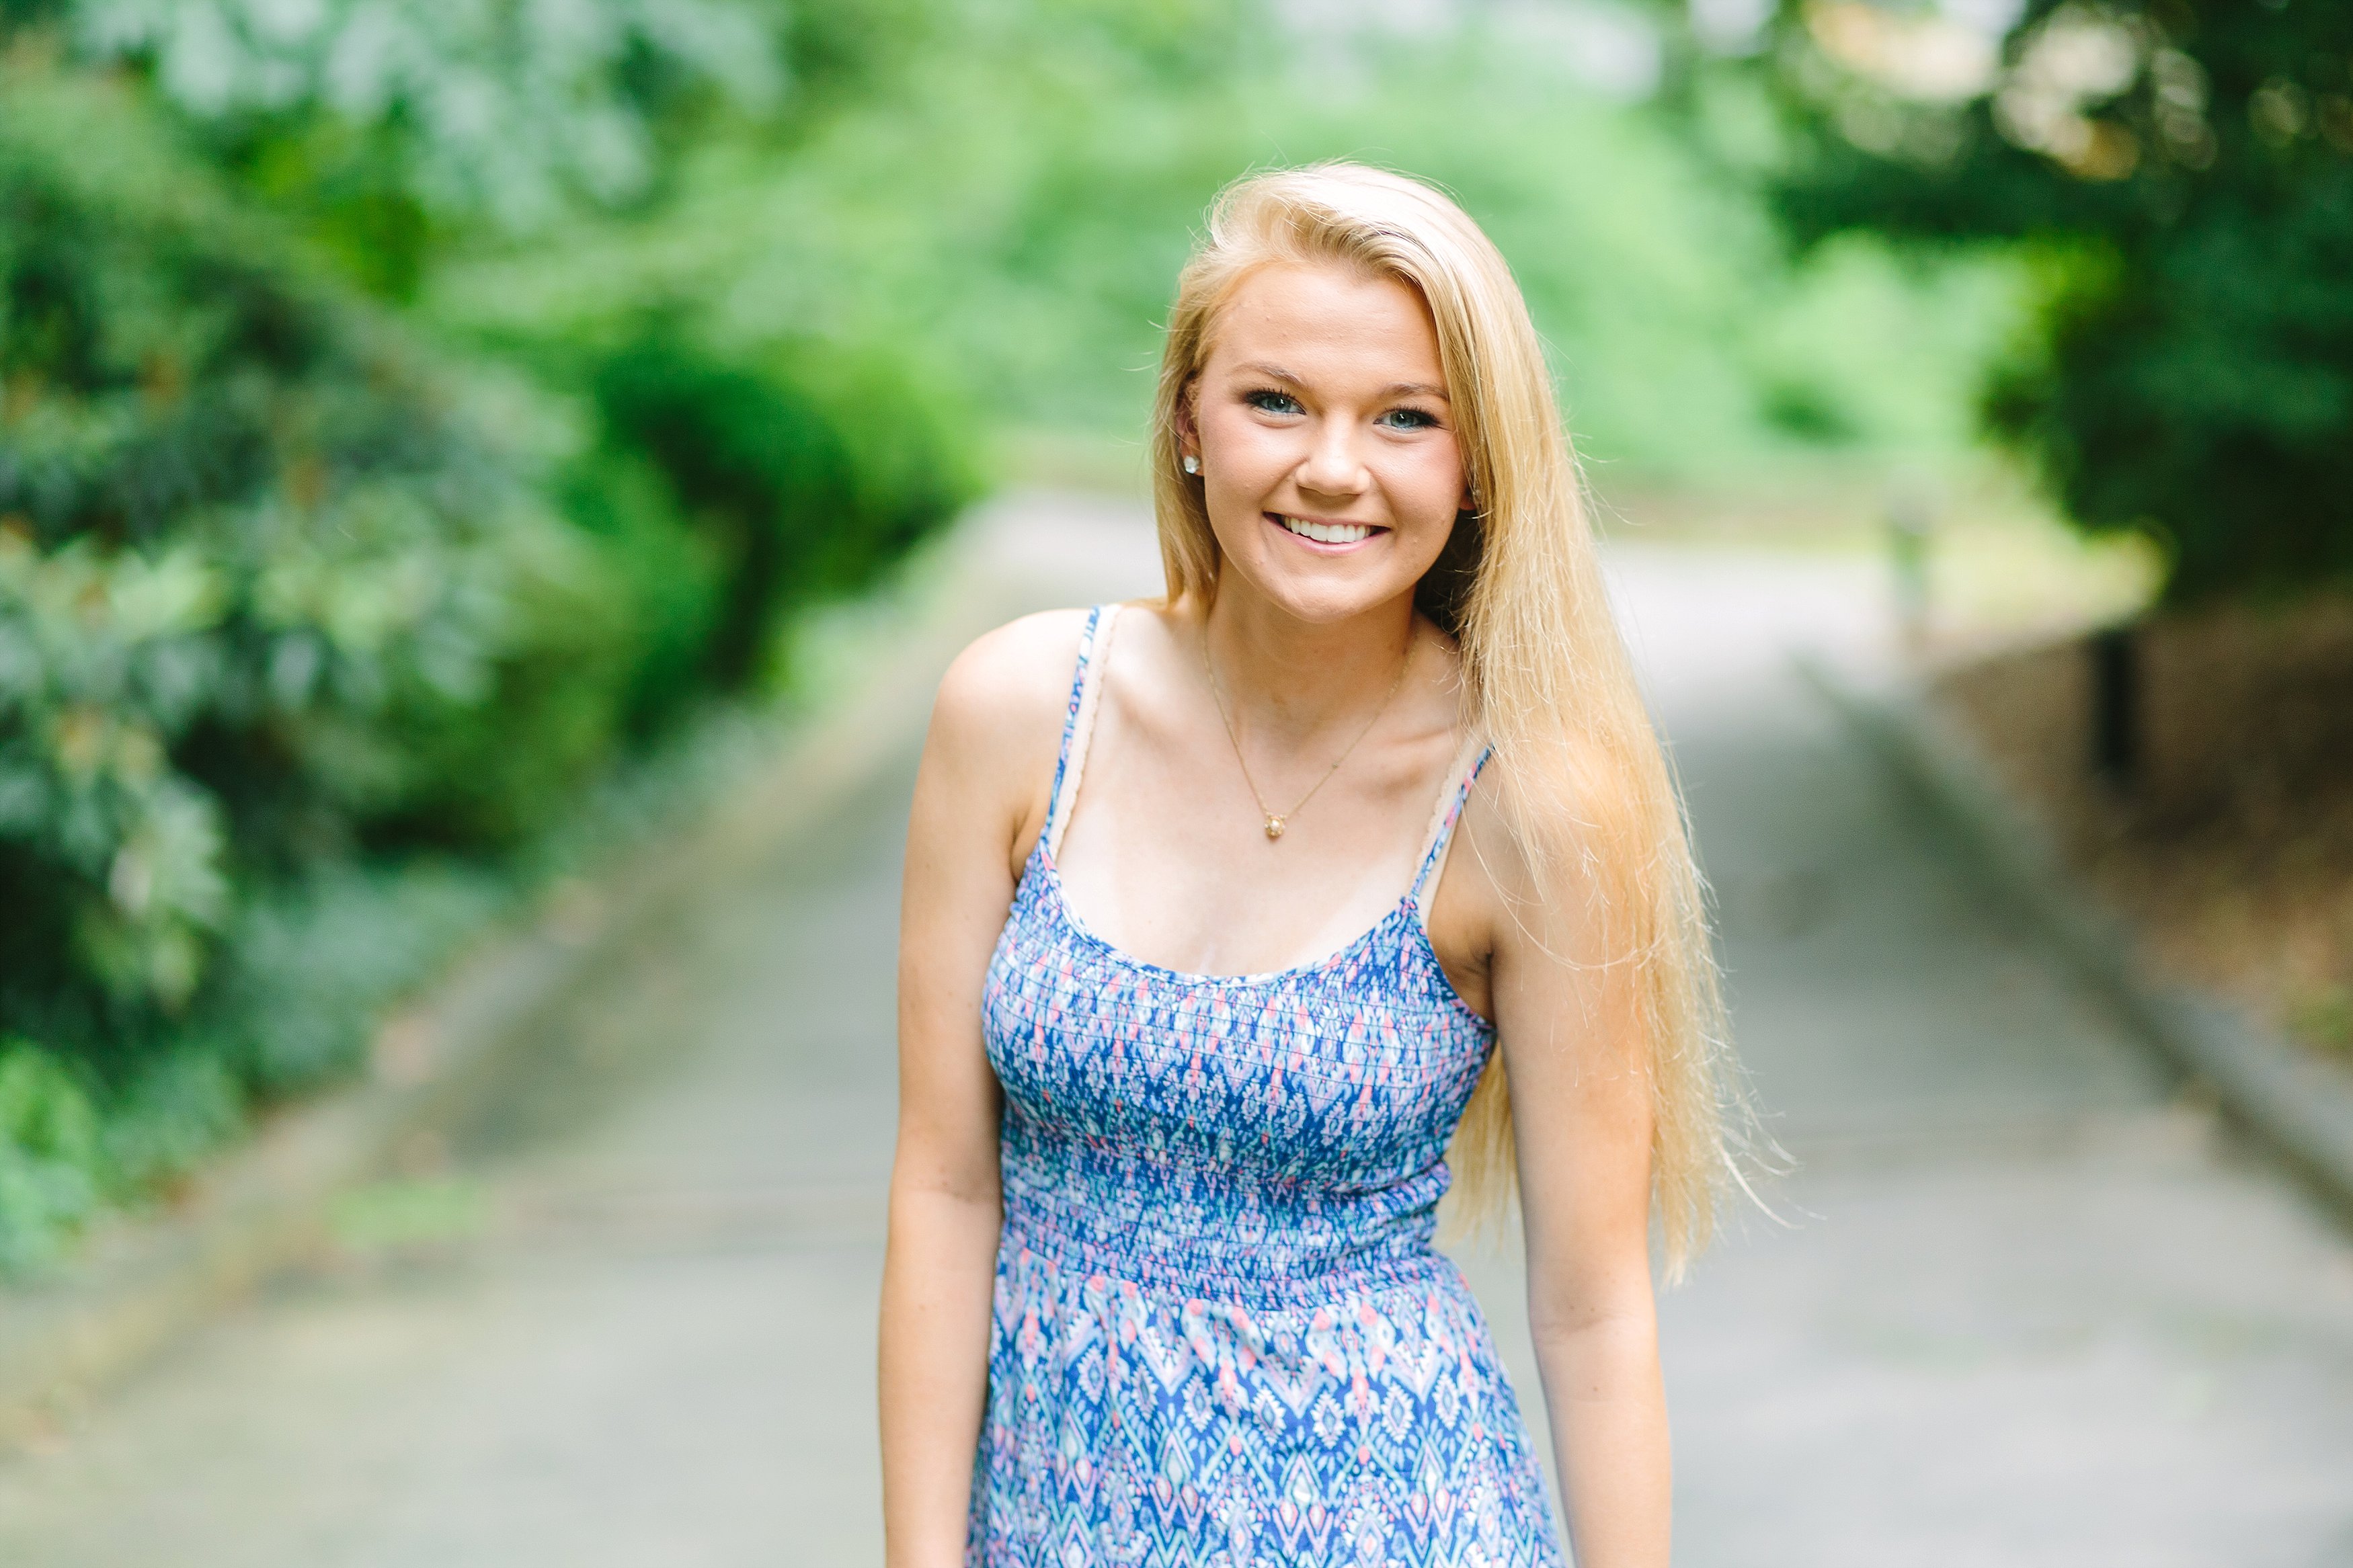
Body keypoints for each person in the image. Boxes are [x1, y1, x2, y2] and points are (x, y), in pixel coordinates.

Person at [880, 163, 1738, 1568]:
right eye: (1275, 401)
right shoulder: (1019, 711)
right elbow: (942, 1189)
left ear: (1475, 470)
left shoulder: (1531, 804)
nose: (1333, 466)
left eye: (1406, 419)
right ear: (1187, 424)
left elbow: (1591, 1310)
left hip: (1404, 1521)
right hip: (1047, 1524)